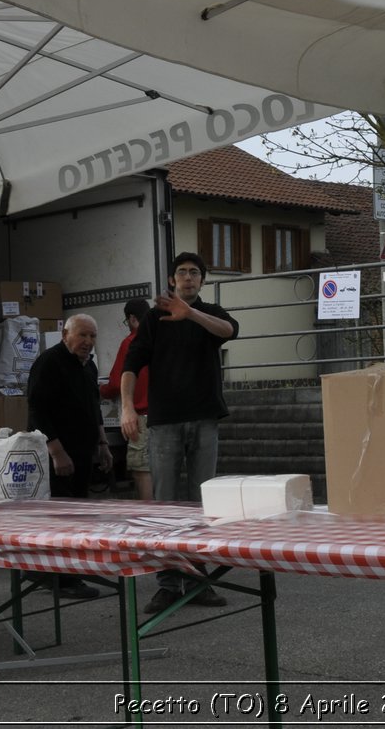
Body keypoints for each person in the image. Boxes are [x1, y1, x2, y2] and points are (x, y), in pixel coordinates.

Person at [120, 252, 239, 613]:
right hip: (165, 421)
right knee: (167, 506)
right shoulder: (155, 318)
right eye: (181, 273)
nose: (188, 278)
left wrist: (191, 314)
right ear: (171, 280)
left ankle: (198, 582)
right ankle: (168, 584)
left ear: (202, 280)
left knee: (203, 504)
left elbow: (230, 331)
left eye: (194, 273)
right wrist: (126, 407)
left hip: (204, 418)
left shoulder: (212, 314)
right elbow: (131, 364)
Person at [26, 313, 109, 599]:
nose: (88, 341)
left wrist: (103, 443)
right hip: (56, 452)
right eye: (82, 335)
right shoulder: (49, 362)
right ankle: (60, 579)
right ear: (65, 334)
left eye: (92, 336)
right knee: (61, 516)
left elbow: (94, 405)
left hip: (83, 450)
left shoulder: (89, 366)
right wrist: (56, 452)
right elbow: (37, 410)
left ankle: (74, 570)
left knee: (80, 513)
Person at [100, 298, 153, 500]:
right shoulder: (160, 337)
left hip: (140, 417)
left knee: (142, 469)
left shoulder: (131, 342)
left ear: (132, 319)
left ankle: (148, 516)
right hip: (164, 418)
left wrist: (100, 390)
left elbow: (115, 383)